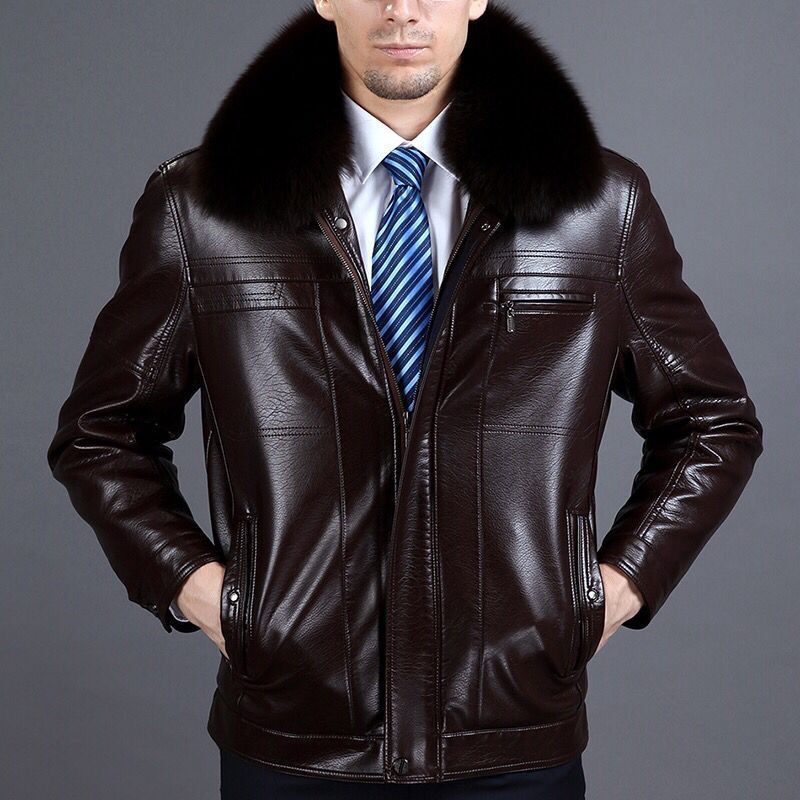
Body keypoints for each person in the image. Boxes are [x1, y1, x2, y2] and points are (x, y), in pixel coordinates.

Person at [46, 1, 764, 798]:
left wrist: (610, 589)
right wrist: (205, 591)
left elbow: (712, 421)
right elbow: (101, 435)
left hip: (513, 741)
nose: (401, 8)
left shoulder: (600, 207)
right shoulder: (201, 206)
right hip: (294, 742)